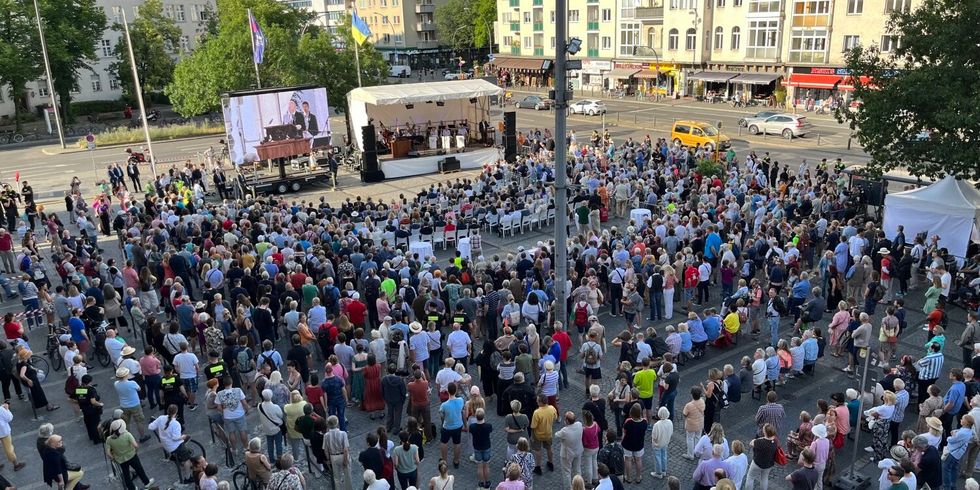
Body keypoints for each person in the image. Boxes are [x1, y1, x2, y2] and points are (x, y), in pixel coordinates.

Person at [105, 420, 154, 490]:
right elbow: (136, 446)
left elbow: (108, 453)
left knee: (126, 475)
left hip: (121, 460)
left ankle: (132, 488)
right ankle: (147, 483)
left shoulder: (109, 439)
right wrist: (135, 451)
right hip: (132, 455)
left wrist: (114, 459)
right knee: (139, 469)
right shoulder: (127, 434)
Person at [554, 411, 583, 490]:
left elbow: (556, 434)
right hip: (578, 450)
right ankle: (580, 486)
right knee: (577, 470)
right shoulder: (579, 425)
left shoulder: (564, 431)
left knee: (567, 472)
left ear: (567, 421)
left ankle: (568, 488)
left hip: (567, 454)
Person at [439, 382, 465, 468]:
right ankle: (456, 460)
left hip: (447, 426)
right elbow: (462, 411)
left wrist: (443, 422)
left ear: (447, 391)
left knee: (444, 442)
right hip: (458, 425)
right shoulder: (461, 400)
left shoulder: (444, 405)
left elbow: (442, 416)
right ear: (456, 390)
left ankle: (444, 460)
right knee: (457, 443)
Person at [324, 415, 353, 490]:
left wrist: (328, 459)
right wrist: (345, 459)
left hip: (333, 457)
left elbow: (326, 449)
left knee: (336, 477)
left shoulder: (326, 435)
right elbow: (346, 449)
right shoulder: (343, 433)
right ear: (337, 423)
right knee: (348, 476)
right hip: (343, 455)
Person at [745, 424, 778, 490]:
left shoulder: (760, 441)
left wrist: (761, 438)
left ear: (765, 432)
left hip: (757, 463)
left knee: (750, 477)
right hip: (768, 464)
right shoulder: (775, 441)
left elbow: (751, 443)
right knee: (764, 478)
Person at [531, 394, 557, 475]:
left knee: (538, 450)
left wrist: (532, 436)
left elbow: (533, 426)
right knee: (549, 448)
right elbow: (555, 417)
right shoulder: (552, 408)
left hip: (538, 435)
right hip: (548, 433)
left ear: (541, 402)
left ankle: (538, 467)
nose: (536, 401)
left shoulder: (537, 412)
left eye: (538, 400)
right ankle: (550, 463)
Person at [469, 409, 493, 489]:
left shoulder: (472, 427)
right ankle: (487, 483)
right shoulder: (488, 426)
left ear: (476, 416)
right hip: (486, 447)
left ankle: (481, 484)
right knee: (486, 465)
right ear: (484, 416)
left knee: (479, 466)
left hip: (477, 448)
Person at [650, 406, 673, 479]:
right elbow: (671, 432)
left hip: (657, 444)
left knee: (657, 457)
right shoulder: (670, 422)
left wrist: (654, 442)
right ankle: (664, 470)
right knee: (664, 455)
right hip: (665, 442)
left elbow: (654, 436)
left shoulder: (657, 425)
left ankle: (658, 472)